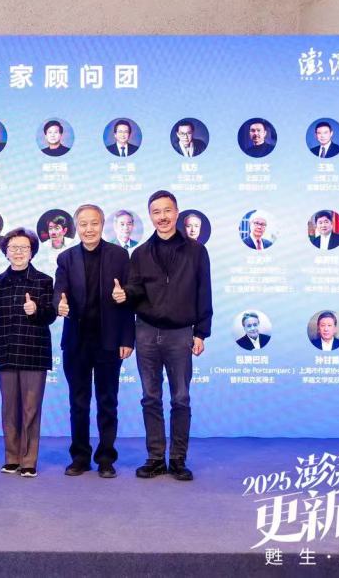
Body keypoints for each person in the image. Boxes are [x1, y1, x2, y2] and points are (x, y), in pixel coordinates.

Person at [117, 190, 211, 482]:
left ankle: (178, 459)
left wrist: (201, 332)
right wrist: (124, 294)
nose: (162, 217)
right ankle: (155, 458)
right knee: (150, 397)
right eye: (156, 212)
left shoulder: (196, 251)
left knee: (180, 398)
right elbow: (135, 291)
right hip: (146, 332)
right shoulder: (140, 253)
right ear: (150, 216)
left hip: (181, 334)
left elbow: (203, 292)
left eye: (167, 210)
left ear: (177, 212)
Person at [54, 205, 134, 478]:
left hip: (108, 341)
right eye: (83, 224)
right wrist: (58, 305)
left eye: (94, 223)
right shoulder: (66, 258)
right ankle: (80, 458)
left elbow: (127, 302)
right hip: (76, 342)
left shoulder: (119, 256)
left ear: (102, 225)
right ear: (77, 227)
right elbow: (59, 291)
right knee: (78, 403)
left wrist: (127, 338)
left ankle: (106, 459)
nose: (89, 229)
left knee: (107, 401)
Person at [0, 228, 56, 478]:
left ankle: (28, 460)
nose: (18, 252)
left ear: (32, 252)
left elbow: (51, 315)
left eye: (24, 248)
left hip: (34, 353)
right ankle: (12, 458)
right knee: (9, 408)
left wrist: (36, 310)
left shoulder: (44, 281)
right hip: (4, 352)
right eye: (13, 248)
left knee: (31, 409)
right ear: (5, 252)